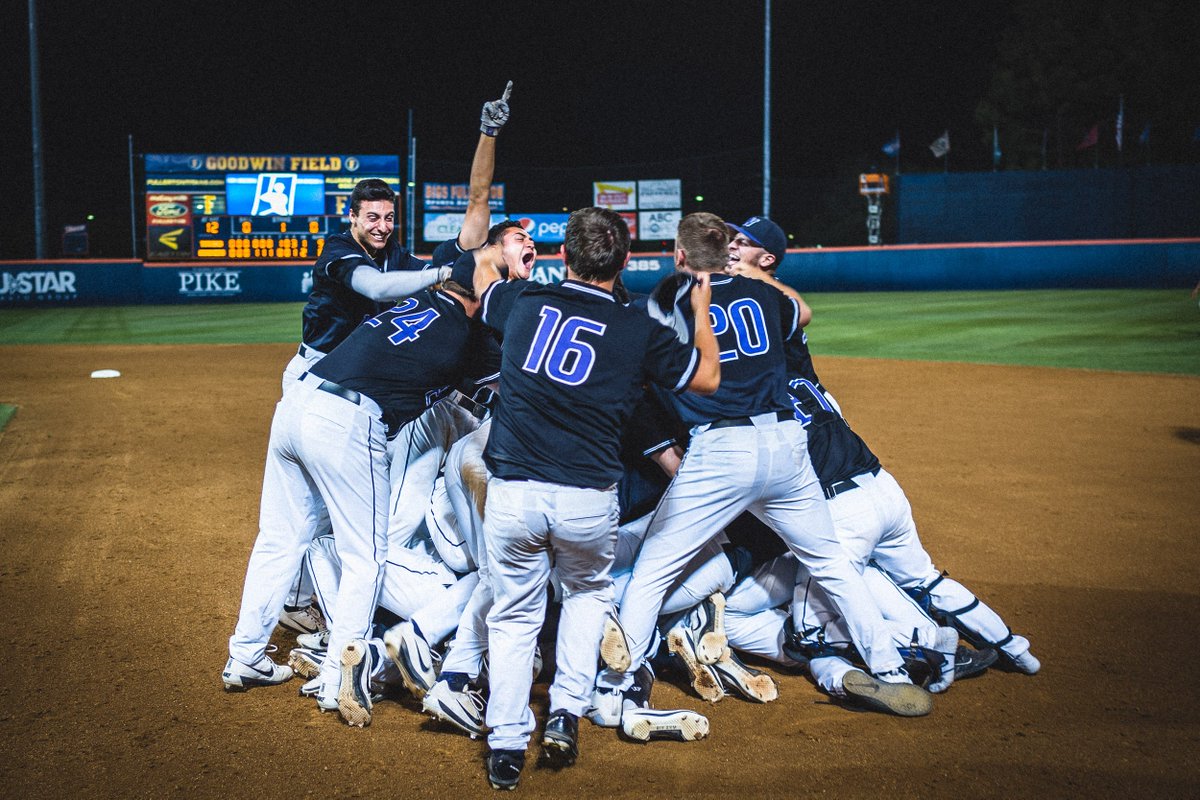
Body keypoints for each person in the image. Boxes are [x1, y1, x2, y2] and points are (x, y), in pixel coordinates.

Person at [592, 212, 924, 736]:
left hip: (720, 449)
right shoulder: (765, 294)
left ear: (679, 256)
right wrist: (754, 276)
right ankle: (890, 669)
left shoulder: (668, 300)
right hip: (786, 444)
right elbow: (804, 312)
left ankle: (616, 688)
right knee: (831, 562)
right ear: (727, 250)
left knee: (655, 568)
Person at [469, 207, 719, 790]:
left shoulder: (523, 303)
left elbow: (485, 288)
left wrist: (503, 257)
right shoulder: (638, 330)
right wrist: (701, 311)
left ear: (564, 258)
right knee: (585, 598)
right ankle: (564, 713)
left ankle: (505, 744)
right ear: (625, 262)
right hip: (586, 498)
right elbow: (706, 378)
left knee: (512, 617)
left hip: (515, 494)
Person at [273, 84, 514, 635]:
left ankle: (340, 589)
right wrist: (488, 132)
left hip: (370, 394)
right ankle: (304, 594)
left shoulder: (413, 261)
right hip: (317, 376)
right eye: (372, 217)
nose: (381, 226)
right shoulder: (346, 253)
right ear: (355, 217)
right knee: (315, 501)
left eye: (388, 217)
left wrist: (490, 135)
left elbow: (477, 201)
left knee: (359, 502)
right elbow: (474, 205)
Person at [222, 269, 492, 720]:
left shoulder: (416, 304)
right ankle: (335, 680)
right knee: (365, 557)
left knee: (279, 538)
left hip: (298, 400)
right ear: (477, 295)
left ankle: (245, 656)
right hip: (349, 419)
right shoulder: (466, 332)